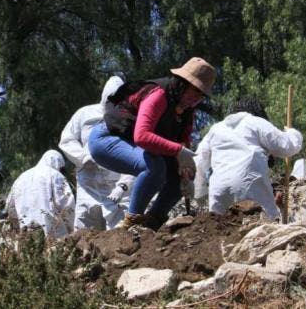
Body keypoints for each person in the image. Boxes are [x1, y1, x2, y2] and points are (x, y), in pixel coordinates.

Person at [88, 57, 216, 229]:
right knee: (154, 166)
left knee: (180, 177)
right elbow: (142, 136)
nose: (197, 98)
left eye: (202, 94)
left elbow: (183, 140)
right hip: (107, 139)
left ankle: (152, 222)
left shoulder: (187, 112)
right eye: (195, 90)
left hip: (135, 147)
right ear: (182, 83)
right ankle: (132, 222)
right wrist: (178, 151)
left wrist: (185, 169)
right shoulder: (159, 94)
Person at [194, 97, 302, 220]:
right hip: (251, 188)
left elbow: (199, 160)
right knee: (264, 224)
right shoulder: (256, 122)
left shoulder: (216, 129)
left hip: (219, 192)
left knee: (221, 228)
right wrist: (292, 133)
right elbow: (286, 146)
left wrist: (199, 193)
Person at [59, 76, 135, 230]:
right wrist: (82, 157)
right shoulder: (84, 114)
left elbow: (135, 156)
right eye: (110, 99)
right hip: (88, 181)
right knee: (85, 229)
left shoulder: (129, 119)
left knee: (119, 230)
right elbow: (67, 139)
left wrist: (123, 186)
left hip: (115, 183)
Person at [5, 150, 75, 238]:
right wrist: (73, 230)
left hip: (27, 236)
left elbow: (10, 207)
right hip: (55, 237)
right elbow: (67, 205)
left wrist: (18, 227)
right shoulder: (56, 175)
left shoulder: (21, 177)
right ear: (58, 163)